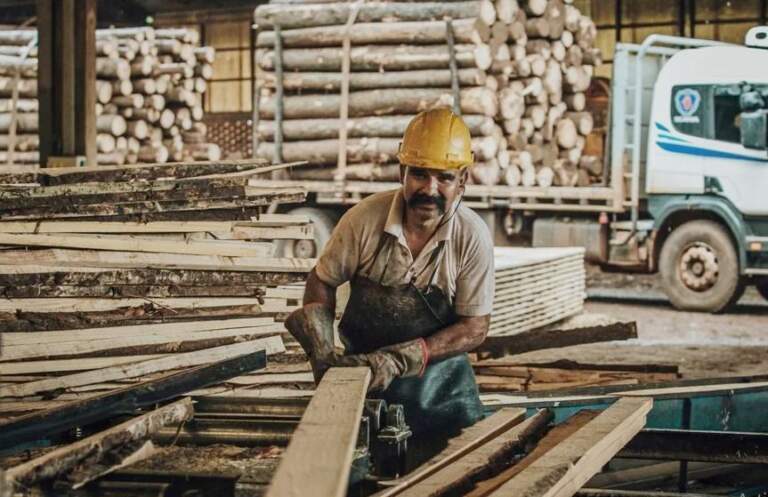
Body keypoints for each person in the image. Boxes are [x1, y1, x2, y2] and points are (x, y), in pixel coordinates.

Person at [285, 108, 495, 461]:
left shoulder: (472, 237)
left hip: (442, 397)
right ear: (402, 172)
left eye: (444, 178)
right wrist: (321, 349)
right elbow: (322, 279)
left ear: (463, 180)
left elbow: (475, 328)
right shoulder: (363, 220)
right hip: (363, 389)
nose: (429, 189)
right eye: (419, 174)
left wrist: (400, 359)